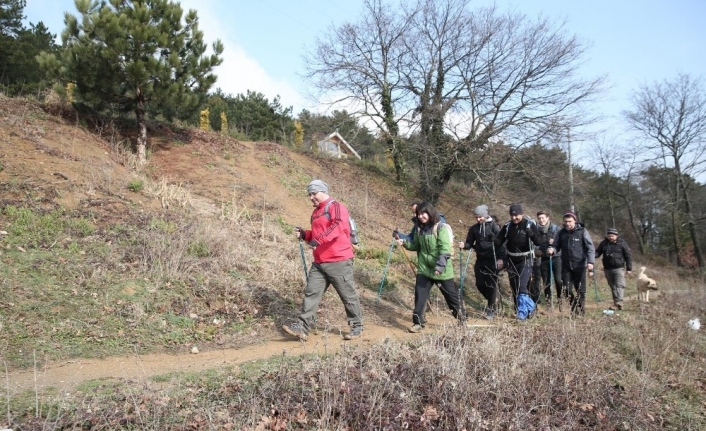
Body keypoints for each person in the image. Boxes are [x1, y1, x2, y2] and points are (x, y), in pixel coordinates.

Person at [282, 180, 364, 341]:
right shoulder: (316, 212)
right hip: (319, 262)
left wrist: (318, 239)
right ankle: (302, 328)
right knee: (311, 293)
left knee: (347, 295)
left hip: (339, 260)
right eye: (309, 194)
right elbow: (316, 234)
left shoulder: (336, 207)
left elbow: (338, 226)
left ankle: (357, 326)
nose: (311, 197)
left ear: (323, 191)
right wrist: (306, 235)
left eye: (314, 193)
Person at [397, 201, 465, 332]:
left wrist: (439, 267)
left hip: (442, 271)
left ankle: (462, 320)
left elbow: (445, 250)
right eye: (419, 214)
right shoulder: (418, 228)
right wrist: (405, 243)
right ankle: (418, 323)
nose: (421, 216)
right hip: (424, 269)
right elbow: (416, 245)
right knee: (420, 297)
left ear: (430, 212)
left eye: (424, 213)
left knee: (452, 299)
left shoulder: (441, 228)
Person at [494, 204, 540, 320]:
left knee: (522, 287)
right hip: (512, 260)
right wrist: (492, 239)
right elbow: (499, 241)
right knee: (514, 287)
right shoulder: (508, 226)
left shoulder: (529, 224)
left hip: (526, 260)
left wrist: (532, 235)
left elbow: (539, 241)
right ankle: (530, 307)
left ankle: (522, 314)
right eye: (512, 215)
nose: (514, 218)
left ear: (522, 214)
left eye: (516, 215)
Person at [458, 205, 504, 320]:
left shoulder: (494, 227)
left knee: (492, 285)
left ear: (485, 215)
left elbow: (501, 244)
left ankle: (491, 309)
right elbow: (469, 243)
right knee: (479, 284)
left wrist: (501, 258)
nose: (478, 219)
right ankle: (493, 300)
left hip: (492, 259)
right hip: (480, 259)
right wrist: (464, 245)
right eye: (476, 217)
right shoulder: (474, 229)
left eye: (480, 217)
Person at [547, 211, 595, 316]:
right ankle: (574, 308)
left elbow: (590, 248)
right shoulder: (561, 233)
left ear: (575, 221)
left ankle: (581, 312)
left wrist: (591, 262)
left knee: (580, 290)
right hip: (566, 266)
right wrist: (552, 250)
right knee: (566, 288)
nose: (567, 223)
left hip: (580, 265)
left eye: (569, 221)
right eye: (565, 221)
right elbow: (556, 245)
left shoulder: (582, 232)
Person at [595, 227, 632, 310]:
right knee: (613, 286)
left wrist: (629, 268)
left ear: (616, 236)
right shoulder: (603, 244)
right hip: (607, 269)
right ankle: (616, 303)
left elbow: (628, 256)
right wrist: (591, 256)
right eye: (609, 236)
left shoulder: (622, 243)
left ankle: (620, 302)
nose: (610, 237)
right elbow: (597, 252)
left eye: (612, 236)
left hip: (619, 268)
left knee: (620, 285)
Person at [531, 211, 563, 306]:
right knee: (546, 281)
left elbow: (561, 243)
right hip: (544, 258)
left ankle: (560, 299)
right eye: (539, 218)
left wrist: (554, 246)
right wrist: (537, 251)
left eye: (543, 218)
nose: (541, 220)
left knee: (558, 280)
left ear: (548, 218)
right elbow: (534, 243)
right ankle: (549, 302)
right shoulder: (535, 229)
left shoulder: (556, 229)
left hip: (556, 258)